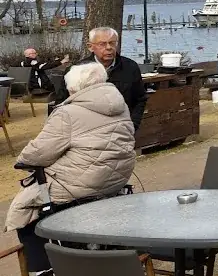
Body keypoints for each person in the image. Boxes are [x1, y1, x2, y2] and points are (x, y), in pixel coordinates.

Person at [6, 62, 136, 231]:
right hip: (115, 179)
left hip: (80, 186)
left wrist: (22, 160)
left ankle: (39, 246)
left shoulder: (67, 113)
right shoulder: (121, 106)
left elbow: (38, 154)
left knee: (24, 210)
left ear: (73, 87)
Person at [53, 27, 146, 130]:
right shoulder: (77, 71)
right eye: (102, 44)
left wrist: (133, 125)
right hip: (86, 129)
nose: (109, 47)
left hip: (122, 128)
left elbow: (140, 99)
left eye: (112, 43)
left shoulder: (130, 67)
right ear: (90, 47)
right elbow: (62, 102)